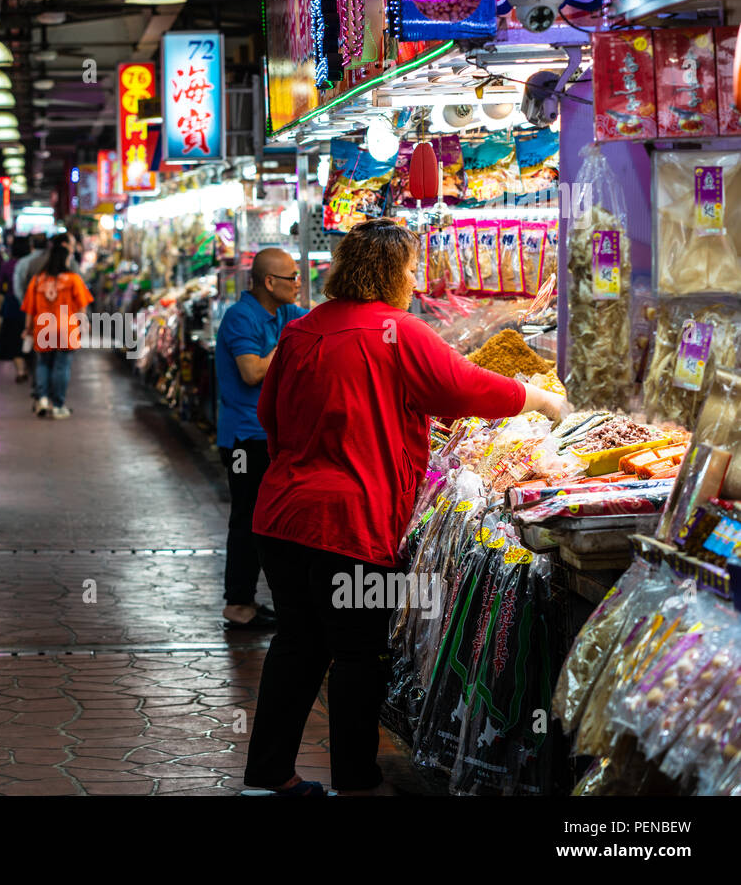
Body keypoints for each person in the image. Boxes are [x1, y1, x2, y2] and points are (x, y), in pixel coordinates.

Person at [241, 219, 569, 797]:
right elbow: (464, 385)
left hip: (282, 517)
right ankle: (357, 784)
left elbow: (269, 417)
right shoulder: (399, 330)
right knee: (356, 654)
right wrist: (541, 398)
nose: (416, 278)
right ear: (391, 272)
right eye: (412, 267)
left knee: (297, 641)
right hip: (348, 523)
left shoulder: (301, 331)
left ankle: (266, 778)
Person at [214, 248, 308, 631]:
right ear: (270, 282)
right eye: (292, 277)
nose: (299, 283)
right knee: (246, 517)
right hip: (242, 440)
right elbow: (252, 371)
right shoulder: (241, 317)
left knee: (266, 517)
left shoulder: (283, 313)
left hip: (268, 435)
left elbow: (317, 324)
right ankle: (238, 604)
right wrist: (287, 344)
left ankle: (258, 600)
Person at [21, 241, 93, 419]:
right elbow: (82, 306)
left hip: (43, 328)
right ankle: (59, 405)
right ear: (65, 259)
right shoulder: (73, 279)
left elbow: (30, 309)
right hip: (66, 329)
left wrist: (27, 329)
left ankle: (43, 398)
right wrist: (83, 324)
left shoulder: (38, 280)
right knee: (62, 366)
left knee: (43, 364)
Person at [0, 235, 31, 382]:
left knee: (14, 339)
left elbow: (0, 285)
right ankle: (28, 367)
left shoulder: (8, 265)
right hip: (31, 306)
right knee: (29, 336)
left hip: (12, 306)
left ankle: (20, 370)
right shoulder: (31, 264)